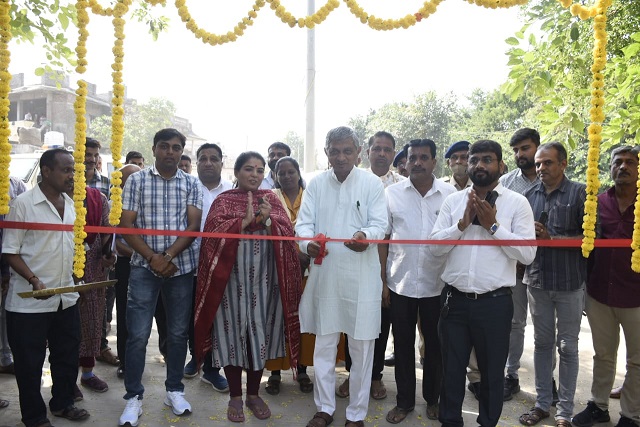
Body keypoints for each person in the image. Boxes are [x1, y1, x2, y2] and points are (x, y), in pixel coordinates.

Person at [430, 139, 536, 427]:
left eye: (487, 159)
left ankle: (487, 423)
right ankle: (450, 422)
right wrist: (461, 225)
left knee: (491, 374)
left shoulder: (517, 203)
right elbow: (434, 248)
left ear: (501, 165)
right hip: (454, 302)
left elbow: (528, 253)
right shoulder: (453, 202)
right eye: (474, 160)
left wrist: (494, 227)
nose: (479, 165)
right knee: (451, 372)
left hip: (494, 304)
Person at [194, 151, 302, 423]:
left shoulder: (272, 201)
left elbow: (287, 236)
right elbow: (211, 239)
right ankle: (235, 395)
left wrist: (268, 220)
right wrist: (241, 223)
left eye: (259, 170)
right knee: (231, 336)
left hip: (265, 282)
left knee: (259, 336)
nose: (254, 175)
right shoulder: (223, 201)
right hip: (229, 282)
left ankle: (253, 394)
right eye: (248, 169)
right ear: (237, 172)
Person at [296, 126, 387, 427]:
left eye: (347, 151)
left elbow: (380, 224)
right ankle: (324, 408)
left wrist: (365, 237)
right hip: (327, 276)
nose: (341, 157)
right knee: (324, 346)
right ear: (326, 153)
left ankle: (356, 414)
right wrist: (307, 244)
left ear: (358, 153)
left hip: (362, 278)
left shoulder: (372, 183)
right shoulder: (316, 184)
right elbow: (303, 225)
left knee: (361, 349)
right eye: (334, 151)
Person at [118, 128, 202, 426]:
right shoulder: (137, 180)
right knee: (138, 334)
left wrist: (167, 256)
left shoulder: (191, 183)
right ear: (154, 149)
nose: (170, 152)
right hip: (143, 268)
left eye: (176, 148)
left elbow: (193, 226)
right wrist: (152, 258)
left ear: (181, 152)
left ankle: (174, 390)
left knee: (177, 333)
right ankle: (133, 397)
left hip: (180, 267)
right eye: (164, 146)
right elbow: (127, 225)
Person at [3, 148, 90, 426]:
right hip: (29, 303)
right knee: (29, 364)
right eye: (66, 170)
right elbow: (10, 251)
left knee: (66, 358)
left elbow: (73, 247)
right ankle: (34, 417)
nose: (71, 175)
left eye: (73, 170)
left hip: (66, 299)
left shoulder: (72, 205)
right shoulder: (23, 204)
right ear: (47, 171)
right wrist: (33, 280)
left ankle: (63, 404)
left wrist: (77, 276)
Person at [383, 138, 456, 424]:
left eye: (424, 157)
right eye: (412, 157)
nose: (417, 163)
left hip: (437, 284)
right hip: (400, 283)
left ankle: (433, 399)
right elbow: (384, 239)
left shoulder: (449, 194)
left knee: (436, 346)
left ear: (434, 162)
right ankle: (404, 402)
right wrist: (382, 281)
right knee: (402, 345)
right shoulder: (392, 194)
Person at [571, 146, 640, 427]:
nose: (623, 167)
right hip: (600, 293)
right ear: (609, 168)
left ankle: (631, 415)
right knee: (603, 355)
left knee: (637, 361)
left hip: (636, 296)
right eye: (617, 162)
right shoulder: (597, 203)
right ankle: (598, 406)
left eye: (630, 162)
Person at [519, 142, 586, 427]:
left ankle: (565, 413)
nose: (541, 168)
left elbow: (591, 239)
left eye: (547, 162)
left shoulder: (580, 193)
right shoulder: (528, 196)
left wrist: (552, 239)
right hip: (537, 281)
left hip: (569, 282)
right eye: (538, 163)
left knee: (568, 347)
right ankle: (543, 403)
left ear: (563, 164)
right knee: (542, 344)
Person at [338, 131, 405, 401]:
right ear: (366, 152)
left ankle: (375, 376)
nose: (381, 154)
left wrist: (384, 279)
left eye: (387, 149)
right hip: (355, 265)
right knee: (352, 323)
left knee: (380, 325)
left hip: (389, 268)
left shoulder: (402, 186)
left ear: (394, 154)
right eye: (376, 148)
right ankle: (352, 375)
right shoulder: (352, 180)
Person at [182, 143, 231, 393]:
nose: (208, 163)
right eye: (203, 158)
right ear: (197, 163)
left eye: (214, 158)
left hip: (223, 266)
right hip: (191, 264)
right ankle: (196, 358)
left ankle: (212, 369)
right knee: (193, 316)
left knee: (217, 317)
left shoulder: (232, 191)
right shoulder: (186, 188)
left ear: (222, 163)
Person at [264, 156, 314, 395]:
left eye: (290, 172)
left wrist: (305, 253)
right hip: (278, 269)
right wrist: (293, 254)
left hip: (309, 268)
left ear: (298, 173)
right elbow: (266, 230)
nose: (286, 176)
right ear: (275, 176)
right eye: (280, 173)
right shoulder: (270, 198)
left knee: (304, 319)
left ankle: (302, 370)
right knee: (277, 319)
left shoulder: (312, 196)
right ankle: (274, 373)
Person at [498, 128, 542, 401]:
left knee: (545, 330)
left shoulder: (551, 178)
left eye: (525, 148)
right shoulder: (505, 183)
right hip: (513, 265)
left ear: (537, 147)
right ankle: (510, 374)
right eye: (515, 150)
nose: (520, 154)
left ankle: (546, 382)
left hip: (545, 268)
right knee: (515, 323)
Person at [68, 181, 115, 397]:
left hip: (94, 269)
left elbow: (107, 232)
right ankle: (66, 378)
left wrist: (109, 255)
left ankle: (87, 374)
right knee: (65, 327)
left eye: (90, 163)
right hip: (63, 268)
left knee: (92, 323)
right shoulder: (57, 198)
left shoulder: (99, 199)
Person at [0, 176, 27, 410]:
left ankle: (4, 359)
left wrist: (5, 271)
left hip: (5, 262)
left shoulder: (15, 184)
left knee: (3, 320)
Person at [113, 164, 141, 380]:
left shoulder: (148, 201)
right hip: (126, 265)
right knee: (125, 314)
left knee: (159, 313)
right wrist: (142, 254)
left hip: (153, 263)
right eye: (128, 180)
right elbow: (115, 243)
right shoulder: (115, 206)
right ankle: (125, 361)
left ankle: (167, 355)